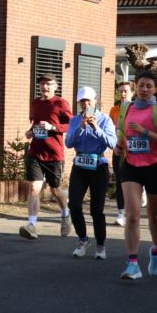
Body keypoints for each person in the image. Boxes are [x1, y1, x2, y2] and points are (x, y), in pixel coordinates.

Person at [115, 70, 157, 280]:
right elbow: (122, 133)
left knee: (155, 217)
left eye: (149, 86)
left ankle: (156, 250)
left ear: (155, 89)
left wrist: (145, 132)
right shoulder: (126, 108)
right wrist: (118, 146)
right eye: (141, 85)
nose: (144, 89)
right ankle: (133, 263)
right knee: (132, 215)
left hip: (156, 166)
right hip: (131, 166)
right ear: (135, 86)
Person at [65, 87, 117, 259]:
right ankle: (83, 239)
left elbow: (112, 143)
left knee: (96, 209)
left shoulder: (105, 119)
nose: (86, 104)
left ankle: (100, 245)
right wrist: (80, 128)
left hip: (98, 166)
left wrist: (96, 128)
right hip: (80, 165)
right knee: (74, 205)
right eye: (82, 101)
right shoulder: (75, 120)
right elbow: (68, 143)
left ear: (95, 101)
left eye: (88, 100)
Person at [19, 74, 72, 240]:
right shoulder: (35, 103)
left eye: (48, 84)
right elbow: (35, 123)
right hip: (35, 152)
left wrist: (53, 127)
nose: (45, 87)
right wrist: (29, 132)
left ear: (55, 86)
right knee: (34, 188)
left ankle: (65, 213)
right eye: (42, 84)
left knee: (55, 190)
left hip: (54, 154)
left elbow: (71, 125)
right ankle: (32, 225)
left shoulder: (61, 103)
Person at [108, 81, 145, 226]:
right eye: (120, 91)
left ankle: (143, 189)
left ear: (133, 93)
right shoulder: (114, 110)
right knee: (120, 180)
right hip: (119, 149)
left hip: (135, 150)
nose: (122, 94)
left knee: (136, 179)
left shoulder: (138, 108)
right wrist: (113, 143)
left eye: (126, 91)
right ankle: (121, 214)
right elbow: (111, 129)